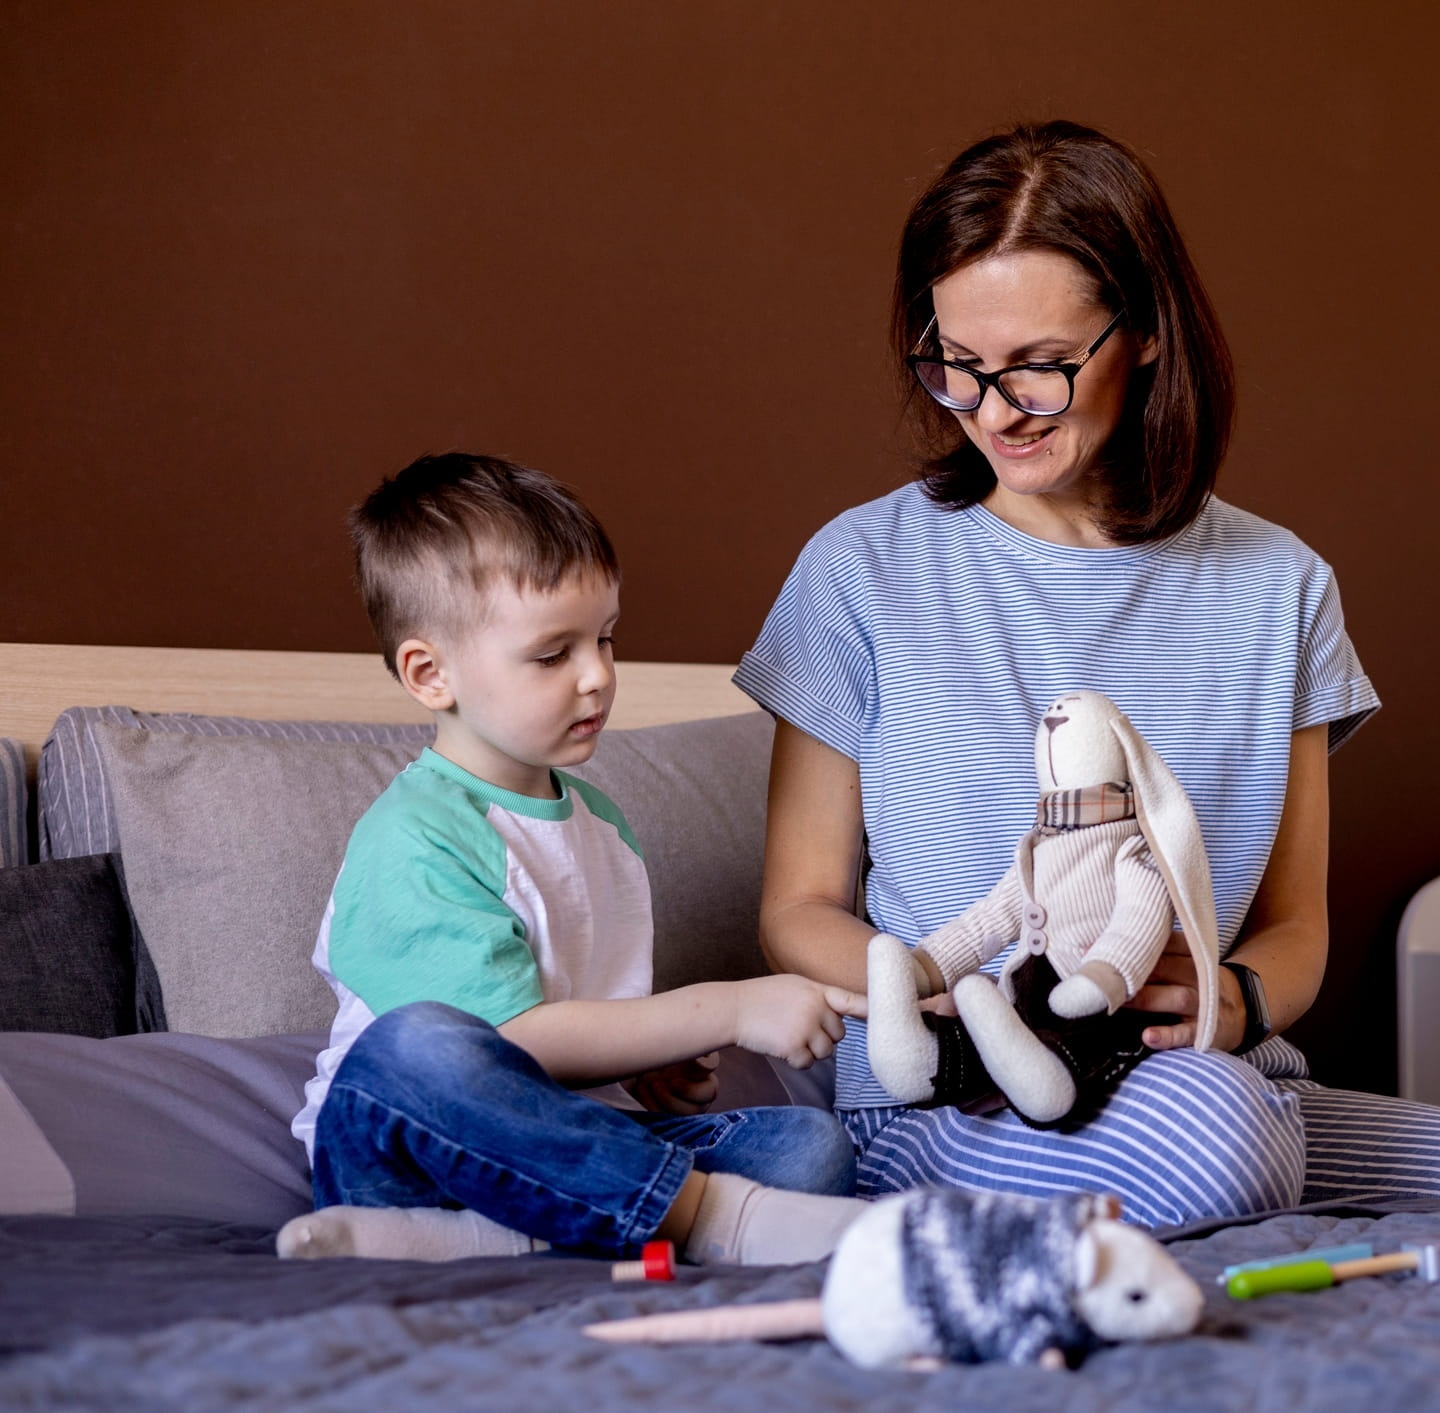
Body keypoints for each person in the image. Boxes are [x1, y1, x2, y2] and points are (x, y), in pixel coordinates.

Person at [735, 120, 1440, 1229]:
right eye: (956, 366)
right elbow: (798, 908)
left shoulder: (1282, 588)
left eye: (1041, 369)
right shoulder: (859, 570)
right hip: (954, 1094)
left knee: (1250, 1125)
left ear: (1148, 334)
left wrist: (1236, 1004)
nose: (993, 411)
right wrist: (946, 996)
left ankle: (1248, 1147)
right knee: (1223, 1143)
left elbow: (1296, 923)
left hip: (1214, 1075)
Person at [279, 451, 869, 1266]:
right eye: (554, 654)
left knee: (806, 1143)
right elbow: (511, 1041)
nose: (598, 676)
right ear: (430, 673)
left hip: (570, 1154)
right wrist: (729, 1009)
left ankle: (495, 1240)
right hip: (408, 1158)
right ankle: (698, 1216)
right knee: (420, 1044)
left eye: (606, 639)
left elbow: (582, 1036)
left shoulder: (600, 826)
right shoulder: (413, 836)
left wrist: (651, 1063)